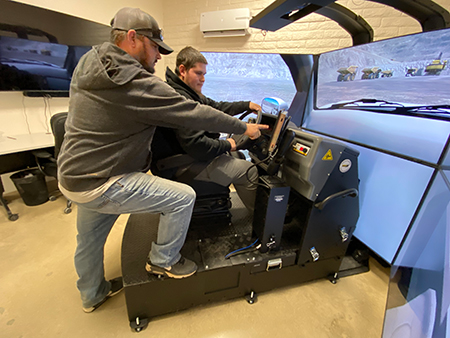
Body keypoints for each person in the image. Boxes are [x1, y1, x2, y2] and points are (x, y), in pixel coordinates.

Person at [57, 7, 267, 313]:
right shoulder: (132, 80)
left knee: (89, 239)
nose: (158, 56)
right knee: (182, 198)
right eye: (155, 47)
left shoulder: (89, 62)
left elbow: (206, 106)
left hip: (75, 176)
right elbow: (195, 113)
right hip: (107, 179)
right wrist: (243, 128)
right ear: (132, 38)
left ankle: (92, 294)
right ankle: (163, 261)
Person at [152, 46, 260, 212]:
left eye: (204, 74)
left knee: (236, 155)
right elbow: (197, 146)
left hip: (183, 157)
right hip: (181, 166)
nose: (203, 79)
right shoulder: (181, 100)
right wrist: (228, 144)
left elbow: (215, 108)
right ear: (183, 70)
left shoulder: (187, 93)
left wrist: (246, 105)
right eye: (198, 73)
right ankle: (261, 221)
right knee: (249, 171)